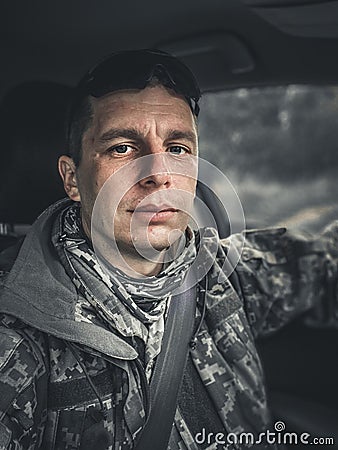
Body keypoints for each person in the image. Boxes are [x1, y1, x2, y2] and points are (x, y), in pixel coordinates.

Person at [0, 49, 337, 450]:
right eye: (122, 148)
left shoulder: (223, 272)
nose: (159, 174)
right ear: (72, 179)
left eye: (177, 149)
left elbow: (322, 262)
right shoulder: (20, 334)